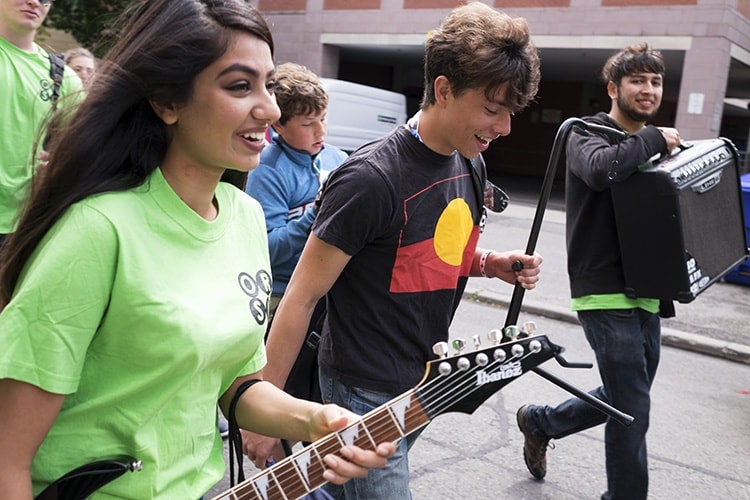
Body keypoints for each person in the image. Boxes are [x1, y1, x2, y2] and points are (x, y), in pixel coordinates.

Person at [0, 1, 395, 498]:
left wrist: (316, 419)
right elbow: (6, 459)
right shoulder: (97, 230)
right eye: (238, 85)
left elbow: (236, 384)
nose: (270, 109)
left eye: (269, 85)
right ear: (167, 103)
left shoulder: (245, 216)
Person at [246, 2, 543, 498]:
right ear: (443, 89)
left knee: (337, 489)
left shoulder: (471, 165)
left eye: (510, 112)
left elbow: (425, 253)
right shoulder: (370, 178)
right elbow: (301, 296)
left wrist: (490, 264)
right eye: (492, 109)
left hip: (426, 380)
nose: (505, 127)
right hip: (362, 389)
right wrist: (265, 409)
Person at [515, 43, 681, 500]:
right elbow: (601, 171)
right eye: (638, 81)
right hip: (604, 290)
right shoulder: (587, 134)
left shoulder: (657, 147)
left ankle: (541, 422)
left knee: (629, 395)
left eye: (655, 81)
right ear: (613, 88)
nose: (648, 90)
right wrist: (652, 140)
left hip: (649, 289)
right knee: (633, 409)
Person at [242, 62, 347, 457]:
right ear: (279, 126)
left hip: (332, 296)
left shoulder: (336, 157)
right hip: (285, 300)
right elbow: (267, 248)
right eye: (307, 124)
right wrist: (316, 215)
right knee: (286, 405)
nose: (320, 132)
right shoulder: (268, 170)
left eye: (323, 119)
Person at [0, 0, 84, 246]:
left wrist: (61, 164)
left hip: (25, 226)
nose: (35, 1)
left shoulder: (62, 77)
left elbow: (85, 149)